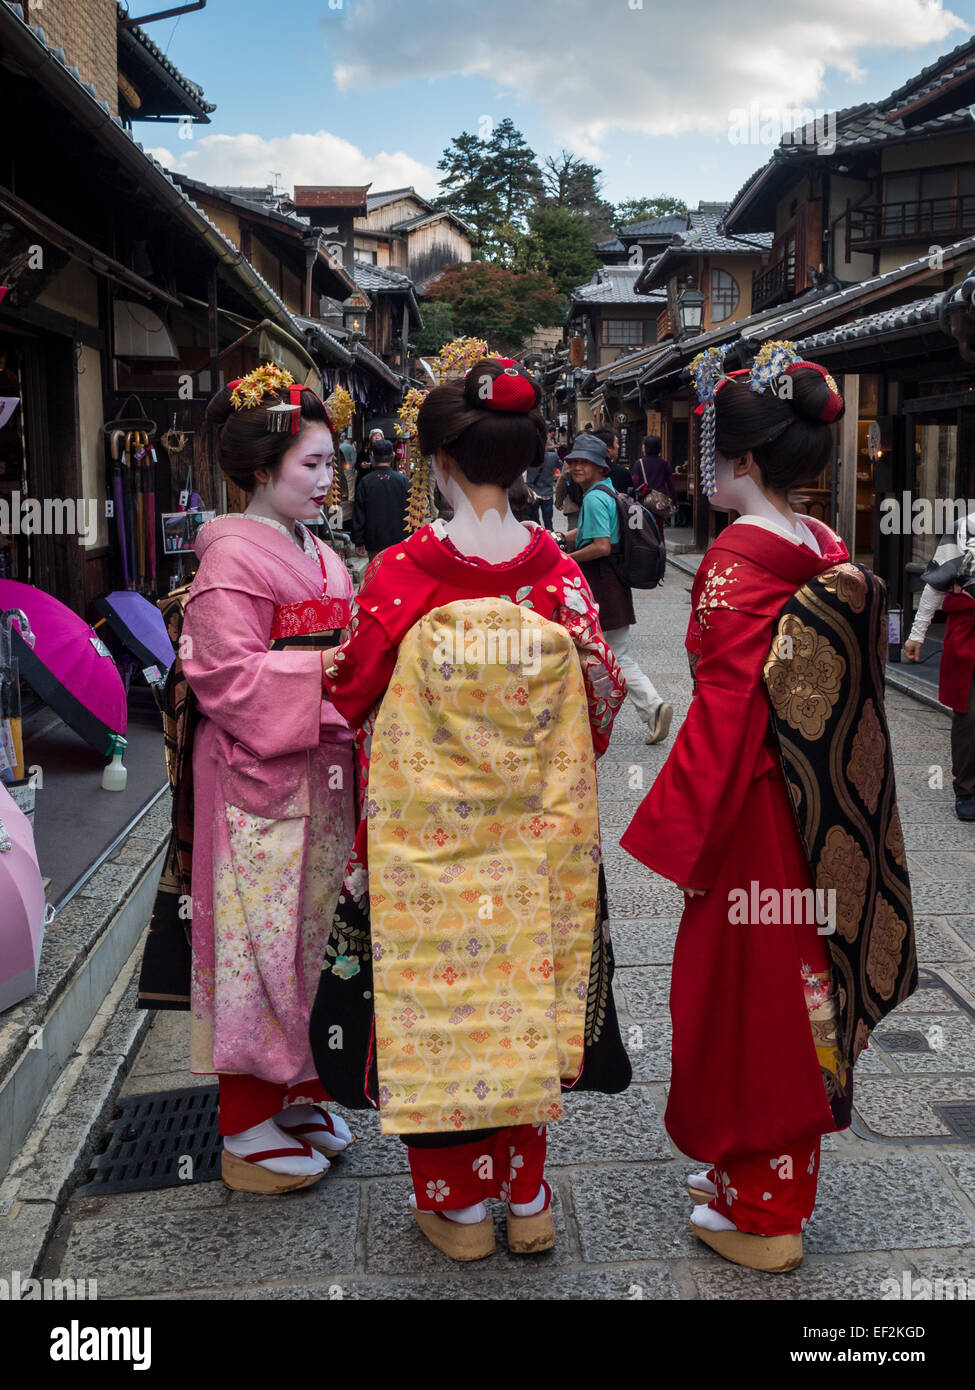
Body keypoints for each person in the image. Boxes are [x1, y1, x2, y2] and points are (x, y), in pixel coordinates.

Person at [310, 356, 631, 1261]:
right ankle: (527, 1199)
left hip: (425, 844)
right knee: (525, 995)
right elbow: (599, 708)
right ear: (526, 463)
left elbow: (348, 691)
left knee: (438, 1003)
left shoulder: (404, 573)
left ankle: (454, 1210)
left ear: (437, 461)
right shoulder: (556, 576)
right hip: (538, 840)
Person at [620, 343, 916, 1271]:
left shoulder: (734, 559)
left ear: (741, 463)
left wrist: (679, 829)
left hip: (752, 810)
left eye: (714, 452)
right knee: (803, 976)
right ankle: (749, 1177)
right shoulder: (824, 548)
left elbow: (727, 703)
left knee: (752, 991)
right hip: (818, 801)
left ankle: (767, 1216)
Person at [154, 364, 358, 1194]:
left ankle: (301, 1085)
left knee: (314, 936)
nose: (326, 478)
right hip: (255, 775)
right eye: (311, 463)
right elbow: (227, 678)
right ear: (262, 467)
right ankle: (243, 1125)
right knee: (255, 940)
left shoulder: (310, 547)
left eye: (329, 462)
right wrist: (337, 673)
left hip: (319, 762)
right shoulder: (233, 555)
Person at [561, 433, 673, 746]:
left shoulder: (594, 497)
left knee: (610, 655)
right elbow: (590, 532)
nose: (578, 467)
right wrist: (563, 537)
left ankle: (652, 706)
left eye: (586, 462)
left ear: (601, 466)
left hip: (602, 586)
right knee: (611, 654)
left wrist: (566, 559)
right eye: (575, 461)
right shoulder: (604, 492)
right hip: (613, 586)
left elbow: (601, 546)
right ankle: (651, 708)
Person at [904, 510, 975, 820]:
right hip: (969, 631)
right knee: (970, 714)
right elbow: (936, 585)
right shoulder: (966, 527)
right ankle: (968, 789)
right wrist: (917, 634)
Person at [351, 437, 409, 560]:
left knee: (377, 574)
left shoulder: (366, 481)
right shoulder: (402, 480)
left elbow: (359, 513)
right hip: (399, 539)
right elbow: (410, 511)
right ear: (393, 455)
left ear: (372, 455)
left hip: (374, 540)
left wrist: (358, 540)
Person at [632, 435, 678, 507]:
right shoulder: (664, 464)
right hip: (660, 503)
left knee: (645, 518)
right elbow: (670, 484)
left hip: (644, 502)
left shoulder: (639, 463)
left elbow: (635, 483)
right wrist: (674, 501)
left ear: (644, 448)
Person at [526, 432, 559, 529]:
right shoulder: (553, 456)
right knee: (548, 521)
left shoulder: (528, 457)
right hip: (547, 492)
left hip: (532, 492)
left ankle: (538, 538)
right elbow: (561, 467)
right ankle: (550, 539)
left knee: (534, 521)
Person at [592, 426, 633, 497]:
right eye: (616, 443)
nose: (618, 446)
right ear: (608, 448)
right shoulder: (622, 473)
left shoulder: (588, 469)